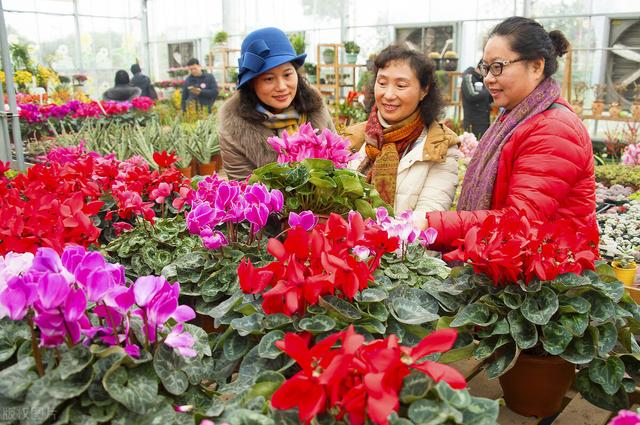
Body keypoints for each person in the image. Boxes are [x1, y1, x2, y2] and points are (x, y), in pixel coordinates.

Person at [422, 16, 596, 251]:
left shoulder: (553, 130)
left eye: (498, 67)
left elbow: (518, 221)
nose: (488, 79)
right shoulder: (517, 117)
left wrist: (430, 223)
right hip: (514, 264)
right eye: (486, 67)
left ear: (536, 66)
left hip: (548, 273)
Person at [345, 45, 460, 220]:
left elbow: (428, 217)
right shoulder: (354, 138)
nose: (388, 94)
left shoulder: (440, 146)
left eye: (401, 85)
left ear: (424, 90)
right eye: (382, 83)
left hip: (402, 246)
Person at [218, 27, 335, 181]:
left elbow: (336, 160)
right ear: (252, 84)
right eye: (269, 79)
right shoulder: (233, 127)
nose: (281, 87)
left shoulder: (314, 107)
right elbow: (244, 189)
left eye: (287, 74)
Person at [461, 64, 493, 138]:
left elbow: (489, 99)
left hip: (484, 121)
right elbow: (471, 95)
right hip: (473, 123)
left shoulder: (482, 78)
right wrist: (488, 91)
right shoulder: (468, 76)